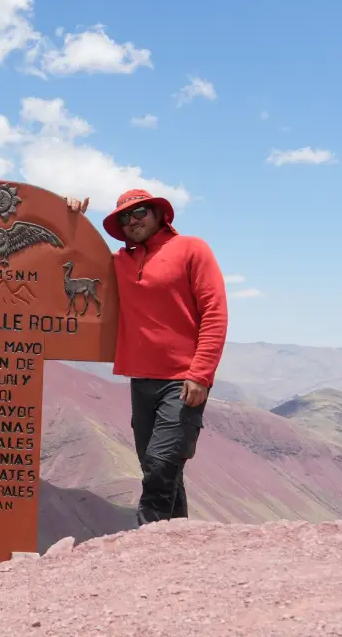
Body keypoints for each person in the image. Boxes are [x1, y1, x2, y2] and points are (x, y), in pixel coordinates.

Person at [66, 189, 228, 526]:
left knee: (160, 463)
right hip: (141, 380)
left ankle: (144, 547)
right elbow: (71, 263)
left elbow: (214, 312)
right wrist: (72, 220)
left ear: (158, 214)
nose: (132, 221)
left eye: (139, 213)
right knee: (162, 468)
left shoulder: (192, 249)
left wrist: (200, 374)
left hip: (182, 381)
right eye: (124, 217)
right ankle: (178, 543)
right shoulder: (121, 263)